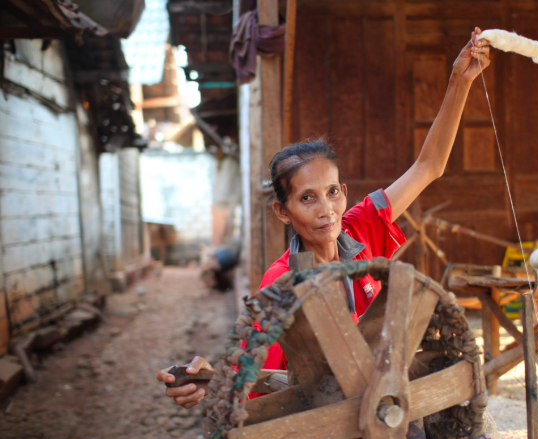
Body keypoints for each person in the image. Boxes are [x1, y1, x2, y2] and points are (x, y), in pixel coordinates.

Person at [157, 27, 491, 409]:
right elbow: (251, 375)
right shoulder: (281, 280)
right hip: (330, 415)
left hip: (388, 397)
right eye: (307, 198)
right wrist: (208, 381)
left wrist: (459, 81)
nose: (326, 210)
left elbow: (429, 165)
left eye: (332, 193)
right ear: (283, 211)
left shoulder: (361, 227)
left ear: (344, 193)